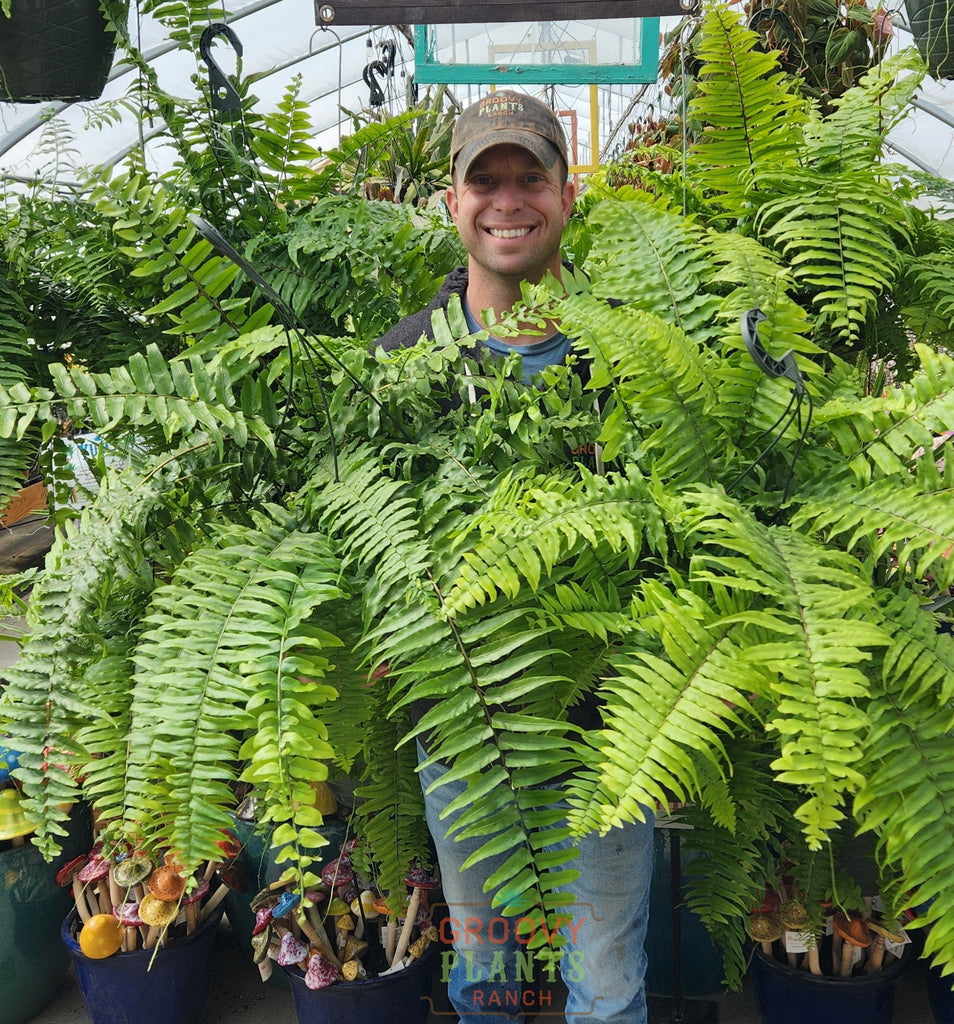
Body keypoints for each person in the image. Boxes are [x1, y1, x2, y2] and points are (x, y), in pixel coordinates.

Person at [377, 90, 655, 1024]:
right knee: (488, 978)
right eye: (483, 180)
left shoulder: (635, 349)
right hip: (464, 730)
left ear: (567, 197)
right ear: (450, 204)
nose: (507, 200)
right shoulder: (402, 360)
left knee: (604, 983)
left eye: (530, 178)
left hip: (608, 728)